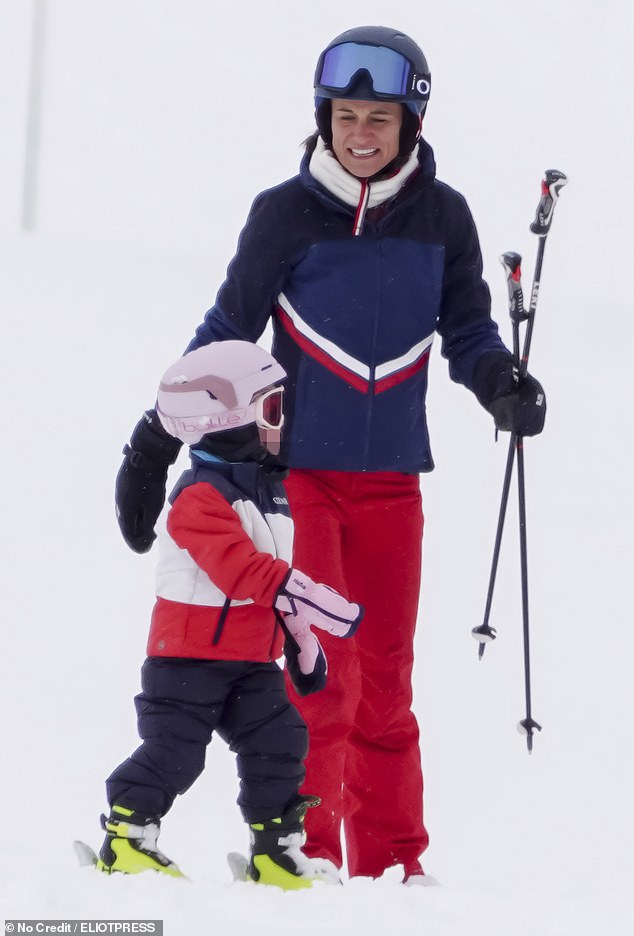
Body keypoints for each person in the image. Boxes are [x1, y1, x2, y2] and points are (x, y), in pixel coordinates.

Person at [114, 26, 546, 884]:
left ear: (409, 124)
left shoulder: (443, 215)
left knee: (387, 681)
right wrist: (157, 433)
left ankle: (393, 866)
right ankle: (304, 856)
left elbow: (465, 329)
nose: (359, 132)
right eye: (345, 114)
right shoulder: (285, 212)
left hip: (392, 485)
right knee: (322, 676)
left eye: (377, 117)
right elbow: (224, 336)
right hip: (296, 483)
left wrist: (498, 378)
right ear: (324, 117)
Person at [98, 340, 363, 889]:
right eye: (269, 410)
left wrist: (297, 636)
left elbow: (271, 584)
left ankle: (274, 850)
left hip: (249, 662)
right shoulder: (198, 497)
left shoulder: (270, 494)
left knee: (282, 739)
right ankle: (126, 837)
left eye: (281, 407)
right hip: (187, 661)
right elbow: (241, 570)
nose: (280, 423)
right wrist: (301, 592)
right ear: (224, 423)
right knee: (176, 753)